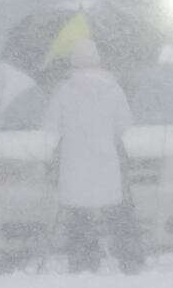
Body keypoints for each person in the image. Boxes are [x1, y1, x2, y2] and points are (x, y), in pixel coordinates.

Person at [40, 47, 142, 274]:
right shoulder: (114, 90)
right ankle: (129, 259)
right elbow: (125, 126)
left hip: (74, 166)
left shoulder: (64, 92)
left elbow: (50, 127)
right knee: (116, 212)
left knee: (78, 215)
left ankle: (82, 259)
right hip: (106, 165)